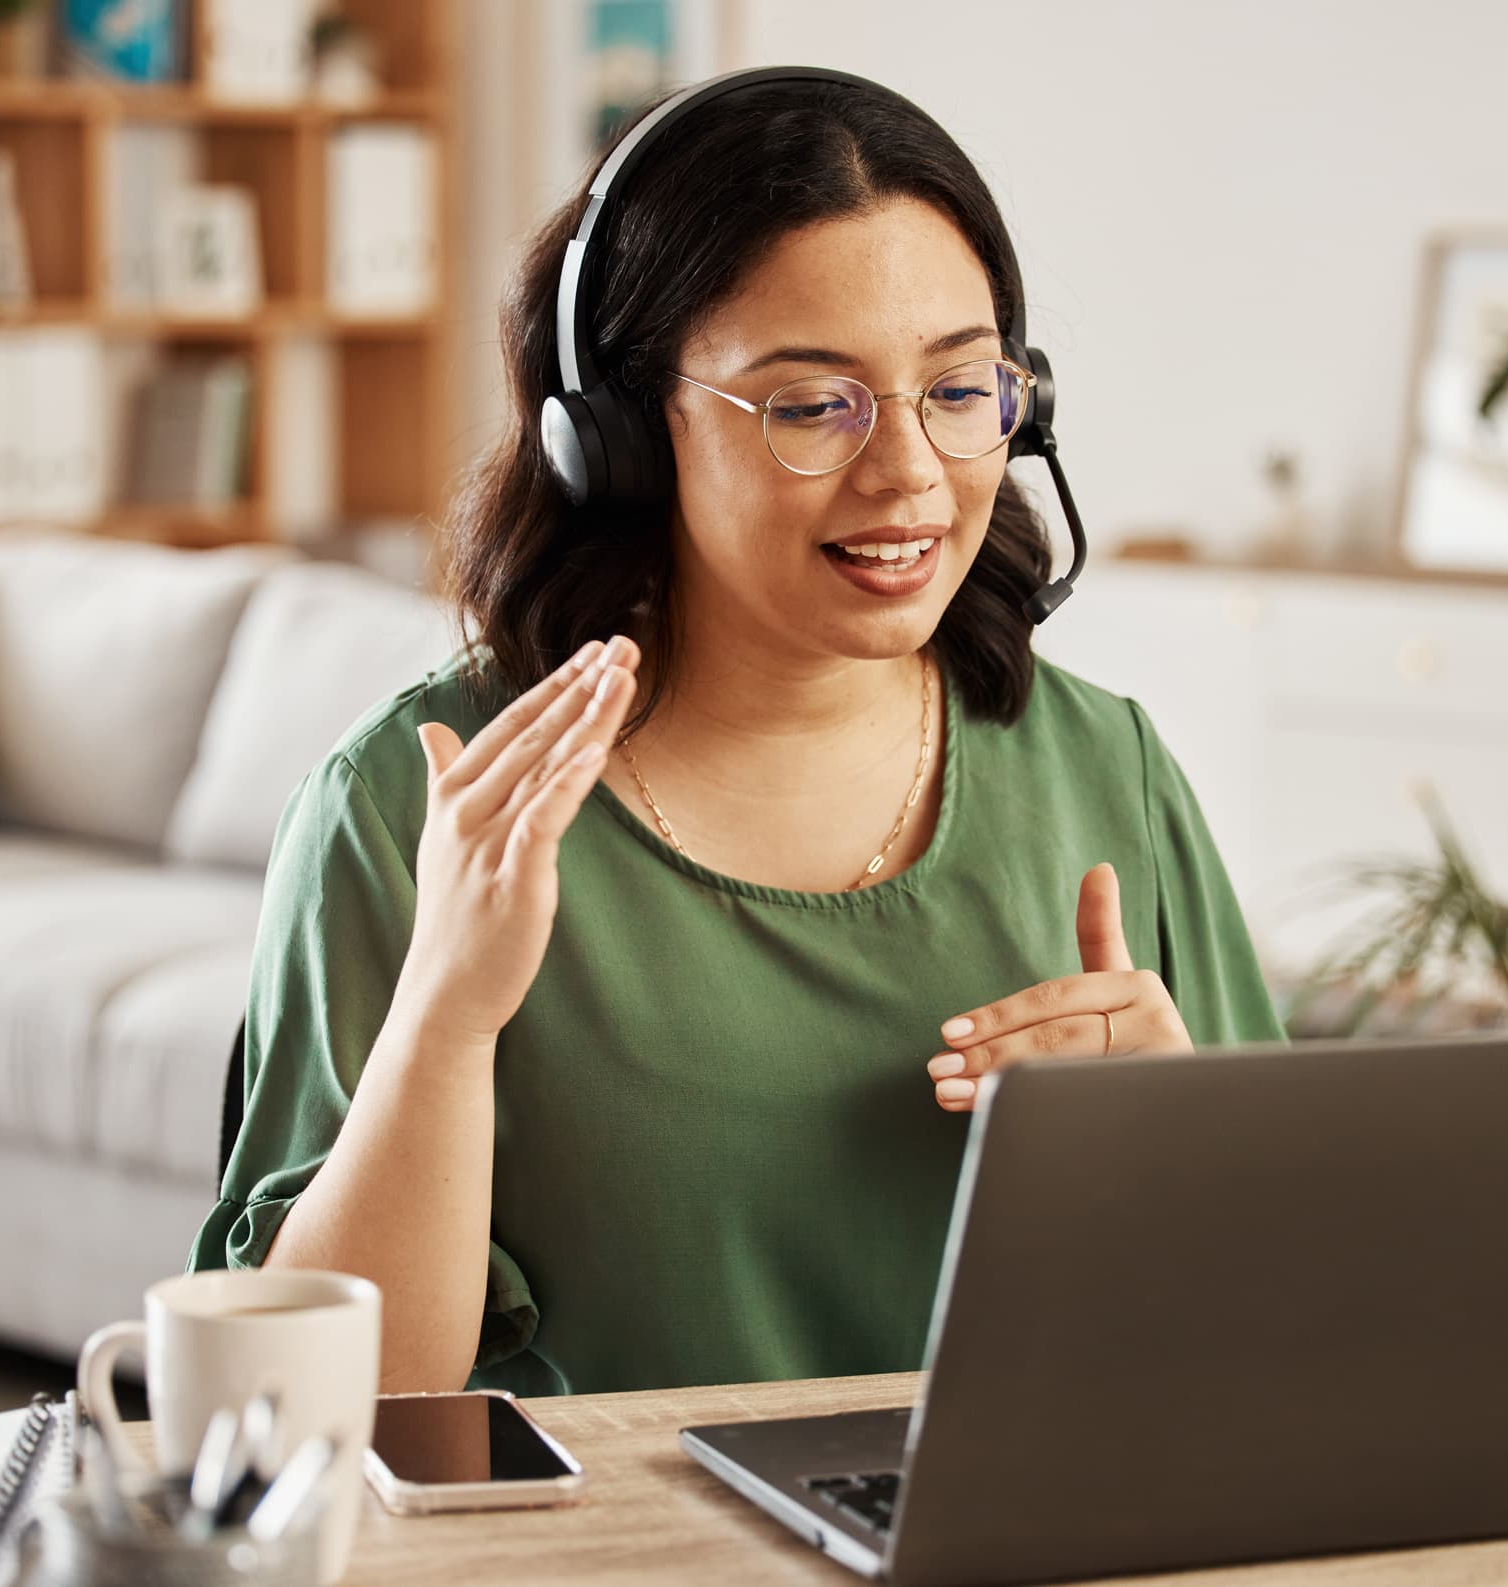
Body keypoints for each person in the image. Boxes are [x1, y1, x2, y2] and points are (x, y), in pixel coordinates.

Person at [191, 72, 1285, 1398]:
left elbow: (1268, 1346)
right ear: (621, 437)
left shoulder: (1112, 774)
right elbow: (331, 1417)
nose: (910, 476)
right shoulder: (417, 805)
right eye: (814, 404)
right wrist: (447, 1018)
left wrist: (1181, 1141)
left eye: (957, 390)